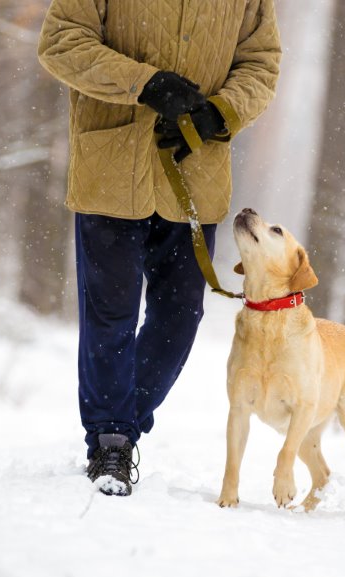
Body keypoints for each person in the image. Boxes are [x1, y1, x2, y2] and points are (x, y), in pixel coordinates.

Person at [38, 0, 281, 496]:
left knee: (181, 314)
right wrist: (145, 84)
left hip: (194, 174)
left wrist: (221, 112)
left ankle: (123, 422)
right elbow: (61, 42)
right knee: (112, 313)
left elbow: (260, 63)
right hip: (110, 171)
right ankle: (110, 441)